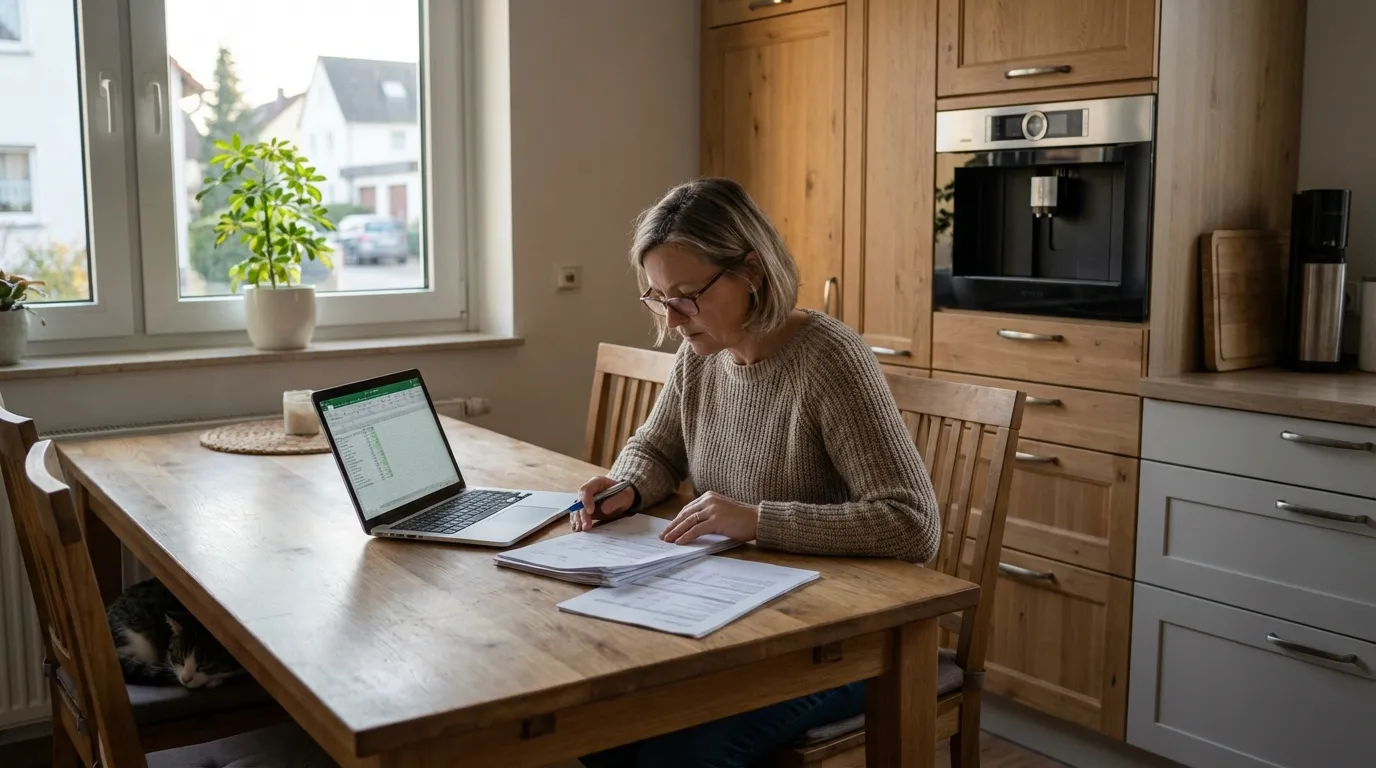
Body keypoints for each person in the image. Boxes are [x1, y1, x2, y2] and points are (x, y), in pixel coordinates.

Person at [575, 178, 942, 768]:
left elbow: (911, 524)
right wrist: (629, 486)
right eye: (658, 298)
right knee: (599, 725)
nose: (671, 320)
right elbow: (657, 448)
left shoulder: (830, 359)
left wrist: (758, 521)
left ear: (750, 270)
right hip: (738, 620)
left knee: (679, 753)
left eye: (686, 296)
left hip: (839, 639)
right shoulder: (703, 356)